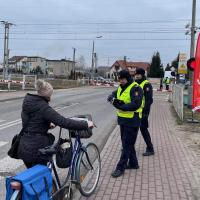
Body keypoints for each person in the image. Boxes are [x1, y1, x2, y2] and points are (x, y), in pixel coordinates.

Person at [17, 79, 94, 168]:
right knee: (43, 178)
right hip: (36, 149)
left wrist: (47, 125)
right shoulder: (43, 107)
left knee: (33, 177)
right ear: (47, 95)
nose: (50, 98)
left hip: (23, 146)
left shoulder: (29, 102)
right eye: (50, 95)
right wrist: (86, 124)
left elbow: (31, 123)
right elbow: (64, 122)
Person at [107, 70, 143, 178]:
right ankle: (133, 163)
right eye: (120, 79)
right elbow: (115, 93)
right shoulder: (121, 87)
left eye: (123, 79)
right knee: (127, 143)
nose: (121, 81)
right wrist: (111, 97)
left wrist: (121, 106)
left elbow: (136, 104)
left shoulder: (135, 88)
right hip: (123, 120)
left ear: (128, 78)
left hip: (132, 121)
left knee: (126, 145)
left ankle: (120, 168)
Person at [134, 68, 154, 156]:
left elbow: (149, 100)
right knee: (133, 129)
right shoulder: (135, 84)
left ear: (142, 75)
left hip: (143, 112)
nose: (137, 76)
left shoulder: (146, 84)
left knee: (143, 129)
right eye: (136, 74)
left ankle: (150, 148)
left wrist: (145, 113)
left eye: (138, 74)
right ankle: (128, 146)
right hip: (135, 111)